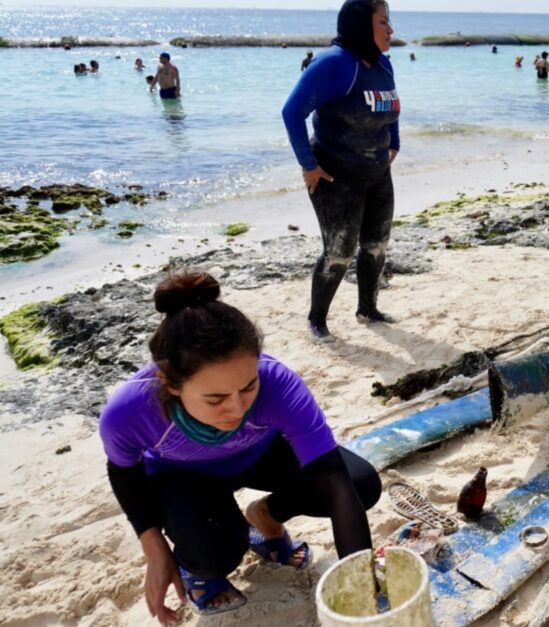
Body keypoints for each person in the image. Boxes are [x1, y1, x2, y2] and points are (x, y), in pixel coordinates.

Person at [100, 270, 381, 620]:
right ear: (171, 384)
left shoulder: (276, 382)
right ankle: (200, 569)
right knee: (216, 554)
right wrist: (153, 545)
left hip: (260, 456)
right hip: (182, 474)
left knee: (360, 484)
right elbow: (123, 472)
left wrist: (362, 586)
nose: (236, 409)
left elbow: (333, 478)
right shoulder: (128, 411)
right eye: (215, 398)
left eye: (248, 387)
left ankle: (265, 514)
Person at [282, 0, 400, 340]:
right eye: (383, 22)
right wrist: (308, 165)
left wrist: (394, 143)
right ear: (362, 25)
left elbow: (392, 105)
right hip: (336, 174)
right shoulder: (334, 64)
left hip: (377, 169)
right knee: (339, 251)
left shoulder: (383, 65)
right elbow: (292, 113)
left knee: (377, 244)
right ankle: (317, 321)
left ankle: (368, 308)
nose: (390, 29)